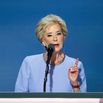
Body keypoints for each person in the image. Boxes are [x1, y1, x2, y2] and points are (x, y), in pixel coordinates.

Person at [15, 14, 87, 92]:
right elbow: (19, 97)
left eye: (58, 34)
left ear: (64, 37)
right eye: (49, 35)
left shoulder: (76, 66)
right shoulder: (29, 63)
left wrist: (74, 83)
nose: (55, 39)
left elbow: (83, 100)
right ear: (42, 41)